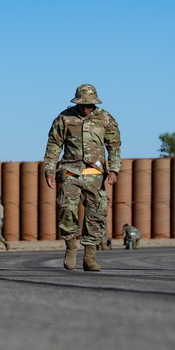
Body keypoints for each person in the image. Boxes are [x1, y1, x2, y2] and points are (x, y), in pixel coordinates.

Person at [44, 84, 121, 272]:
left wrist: (114, 170)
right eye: (83, 104)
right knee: (66, 208)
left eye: (90, 104)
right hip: (71, 170)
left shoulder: (106, 118)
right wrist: (50, 170)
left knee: (96, 214)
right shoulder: (64, 118)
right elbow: (54, 145)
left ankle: (89, 256)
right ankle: (71, 247)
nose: (86, 107)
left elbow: (114, 146)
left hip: (95, 173)